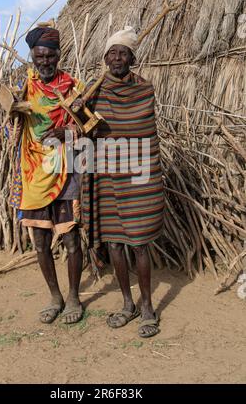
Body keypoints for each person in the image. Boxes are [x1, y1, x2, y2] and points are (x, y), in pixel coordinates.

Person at [83, 26, 165, 338]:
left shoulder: (144, 90)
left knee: (140, 243)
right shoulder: (94, 91)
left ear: (132, 57)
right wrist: (80, 112)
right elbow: (84, 129)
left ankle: (147, 307)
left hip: (139, 176)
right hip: (106, 175)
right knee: (115, 243)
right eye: (112, 53)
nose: (117, 58)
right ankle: (128, 304)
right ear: (105, 58)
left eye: (123, 53)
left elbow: (141, 128)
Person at [8, 25, 84, 325]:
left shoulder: (74, 88)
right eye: (39, 56)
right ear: (32, 56)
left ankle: (75, 297)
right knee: (40, 240)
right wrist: (12, 116)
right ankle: (55, 296)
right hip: (32, 170)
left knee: (71, 238)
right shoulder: (22, 88)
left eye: (50, 56)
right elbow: (11, 130)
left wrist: (67, 132)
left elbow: (89, 127)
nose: (45, 62)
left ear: (58, 55)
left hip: (65, 169)